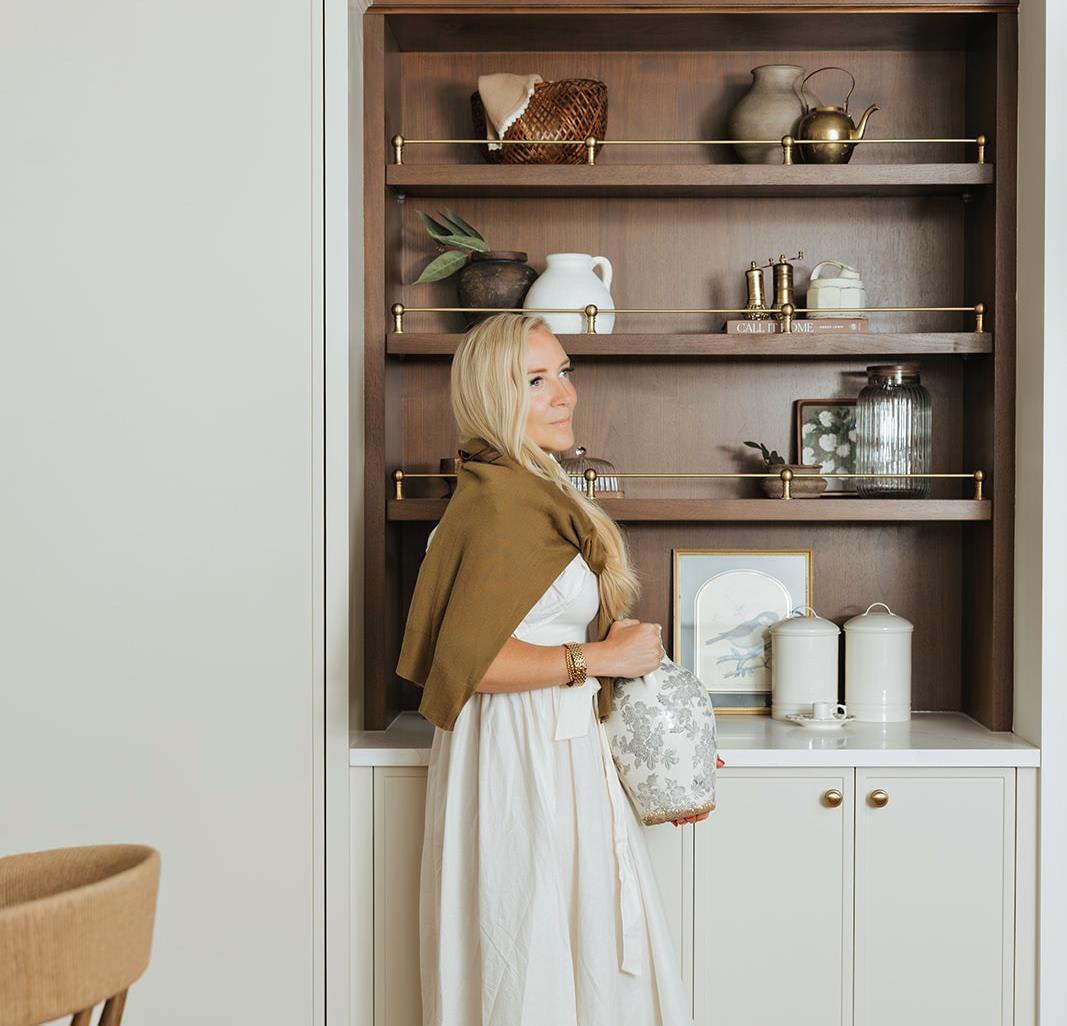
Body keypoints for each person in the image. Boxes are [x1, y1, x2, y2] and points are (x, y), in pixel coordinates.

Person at [396, 312, 725, 1026]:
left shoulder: (522, 489)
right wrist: (602, 657)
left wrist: (669, 742)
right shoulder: (503, 504)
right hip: (523, 752)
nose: (564, 393)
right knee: (537, 943)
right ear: (493, 397)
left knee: (549, 943)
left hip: (546, 742)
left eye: (564, 372)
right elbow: (474, 661)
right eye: (535, 381)